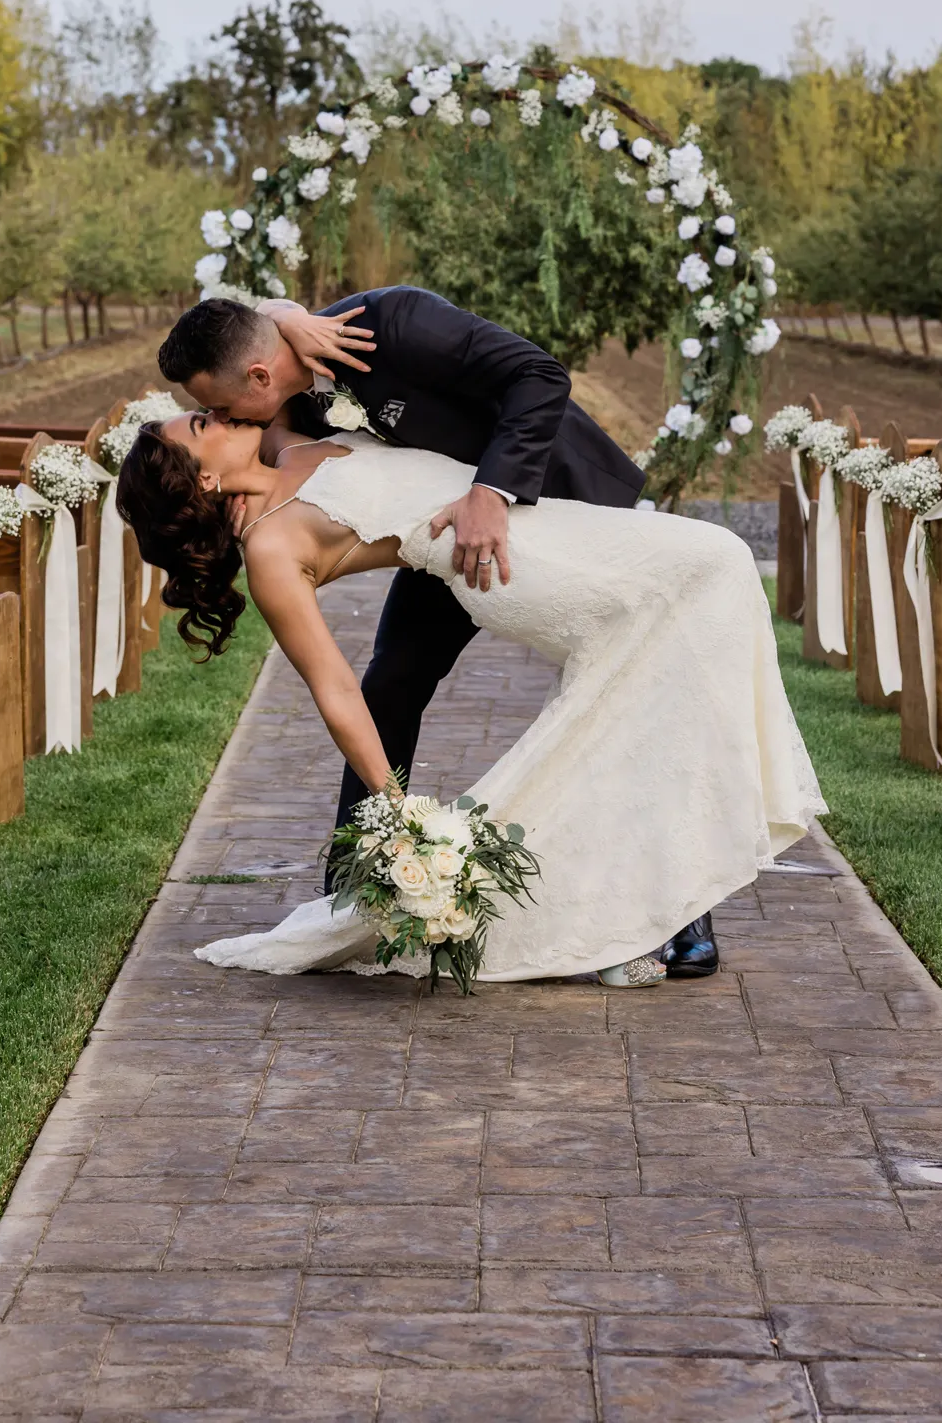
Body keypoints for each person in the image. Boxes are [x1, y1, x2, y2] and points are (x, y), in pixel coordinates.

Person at [116, 407, 823, 986]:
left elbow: (271, 346)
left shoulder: (286, 443)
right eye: (201, 423)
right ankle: (630, 917)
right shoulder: (271, 549)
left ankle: (635, 911)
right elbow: (334, 687)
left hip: (535, 520)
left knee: (662, 663)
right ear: (205, 475)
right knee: (720, 560)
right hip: (522, 563)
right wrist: (392, 805)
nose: (219, 414)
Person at [157, 288, 718, 979]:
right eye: (205, 418)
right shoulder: (277, 415)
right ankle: (365, 871)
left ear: (259, 378)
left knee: (626, 689)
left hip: (540, 496)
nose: (218, 417)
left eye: (216, 407)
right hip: (441, 536)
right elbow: (241, 342)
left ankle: (684, 903)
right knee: (392, 678)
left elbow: (539, 377)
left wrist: (492, 491)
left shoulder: (390, 325)